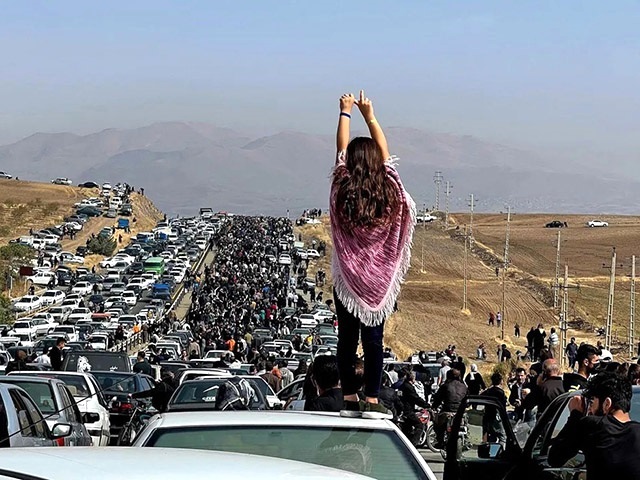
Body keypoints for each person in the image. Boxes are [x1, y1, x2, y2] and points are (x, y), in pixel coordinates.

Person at [331, 91, 415, 419]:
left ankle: (350, 397)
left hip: (348, 279)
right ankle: (373, 398)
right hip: (379, 281)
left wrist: (345, 112)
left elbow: (340, 150)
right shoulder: (390, 190)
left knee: (347, 339)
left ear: (351, 163)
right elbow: (386, 156)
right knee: (374, 340)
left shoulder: (341, 188)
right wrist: (370, 115)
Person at [548, 372, 640, 479]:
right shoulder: (637, 432)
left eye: (592, 403)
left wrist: (575, 414)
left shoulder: (593, 426)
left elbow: (555, 458)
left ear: (607, 404)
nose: (590, 410)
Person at [432, 369, 467, 447]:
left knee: (437, 424)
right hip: (460, 412)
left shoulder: (445, 386)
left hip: (447, 411)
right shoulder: (464, 386)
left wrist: (434, 406)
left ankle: (440, 441)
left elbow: (438, 399)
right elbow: (467, 399)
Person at [399, 371, 430, 445]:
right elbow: (415, 398)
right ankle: (413, 444)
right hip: (408, 410)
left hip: (403, 409)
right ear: (412, 378)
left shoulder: (402, 386)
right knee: (419, 425)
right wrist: (426, 405)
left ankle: (407, 443)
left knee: (407, 428)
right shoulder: (409, 387)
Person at [481, 373, 507, 447]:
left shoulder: (488, 391)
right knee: (502, 437)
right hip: (497, 416)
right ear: (501, 381)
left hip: (488, 416)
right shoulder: (500, 392)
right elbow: (503, 406)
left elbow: (480, 396)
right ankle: (501, 451)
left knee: (492, 437)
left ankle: (490, 451)